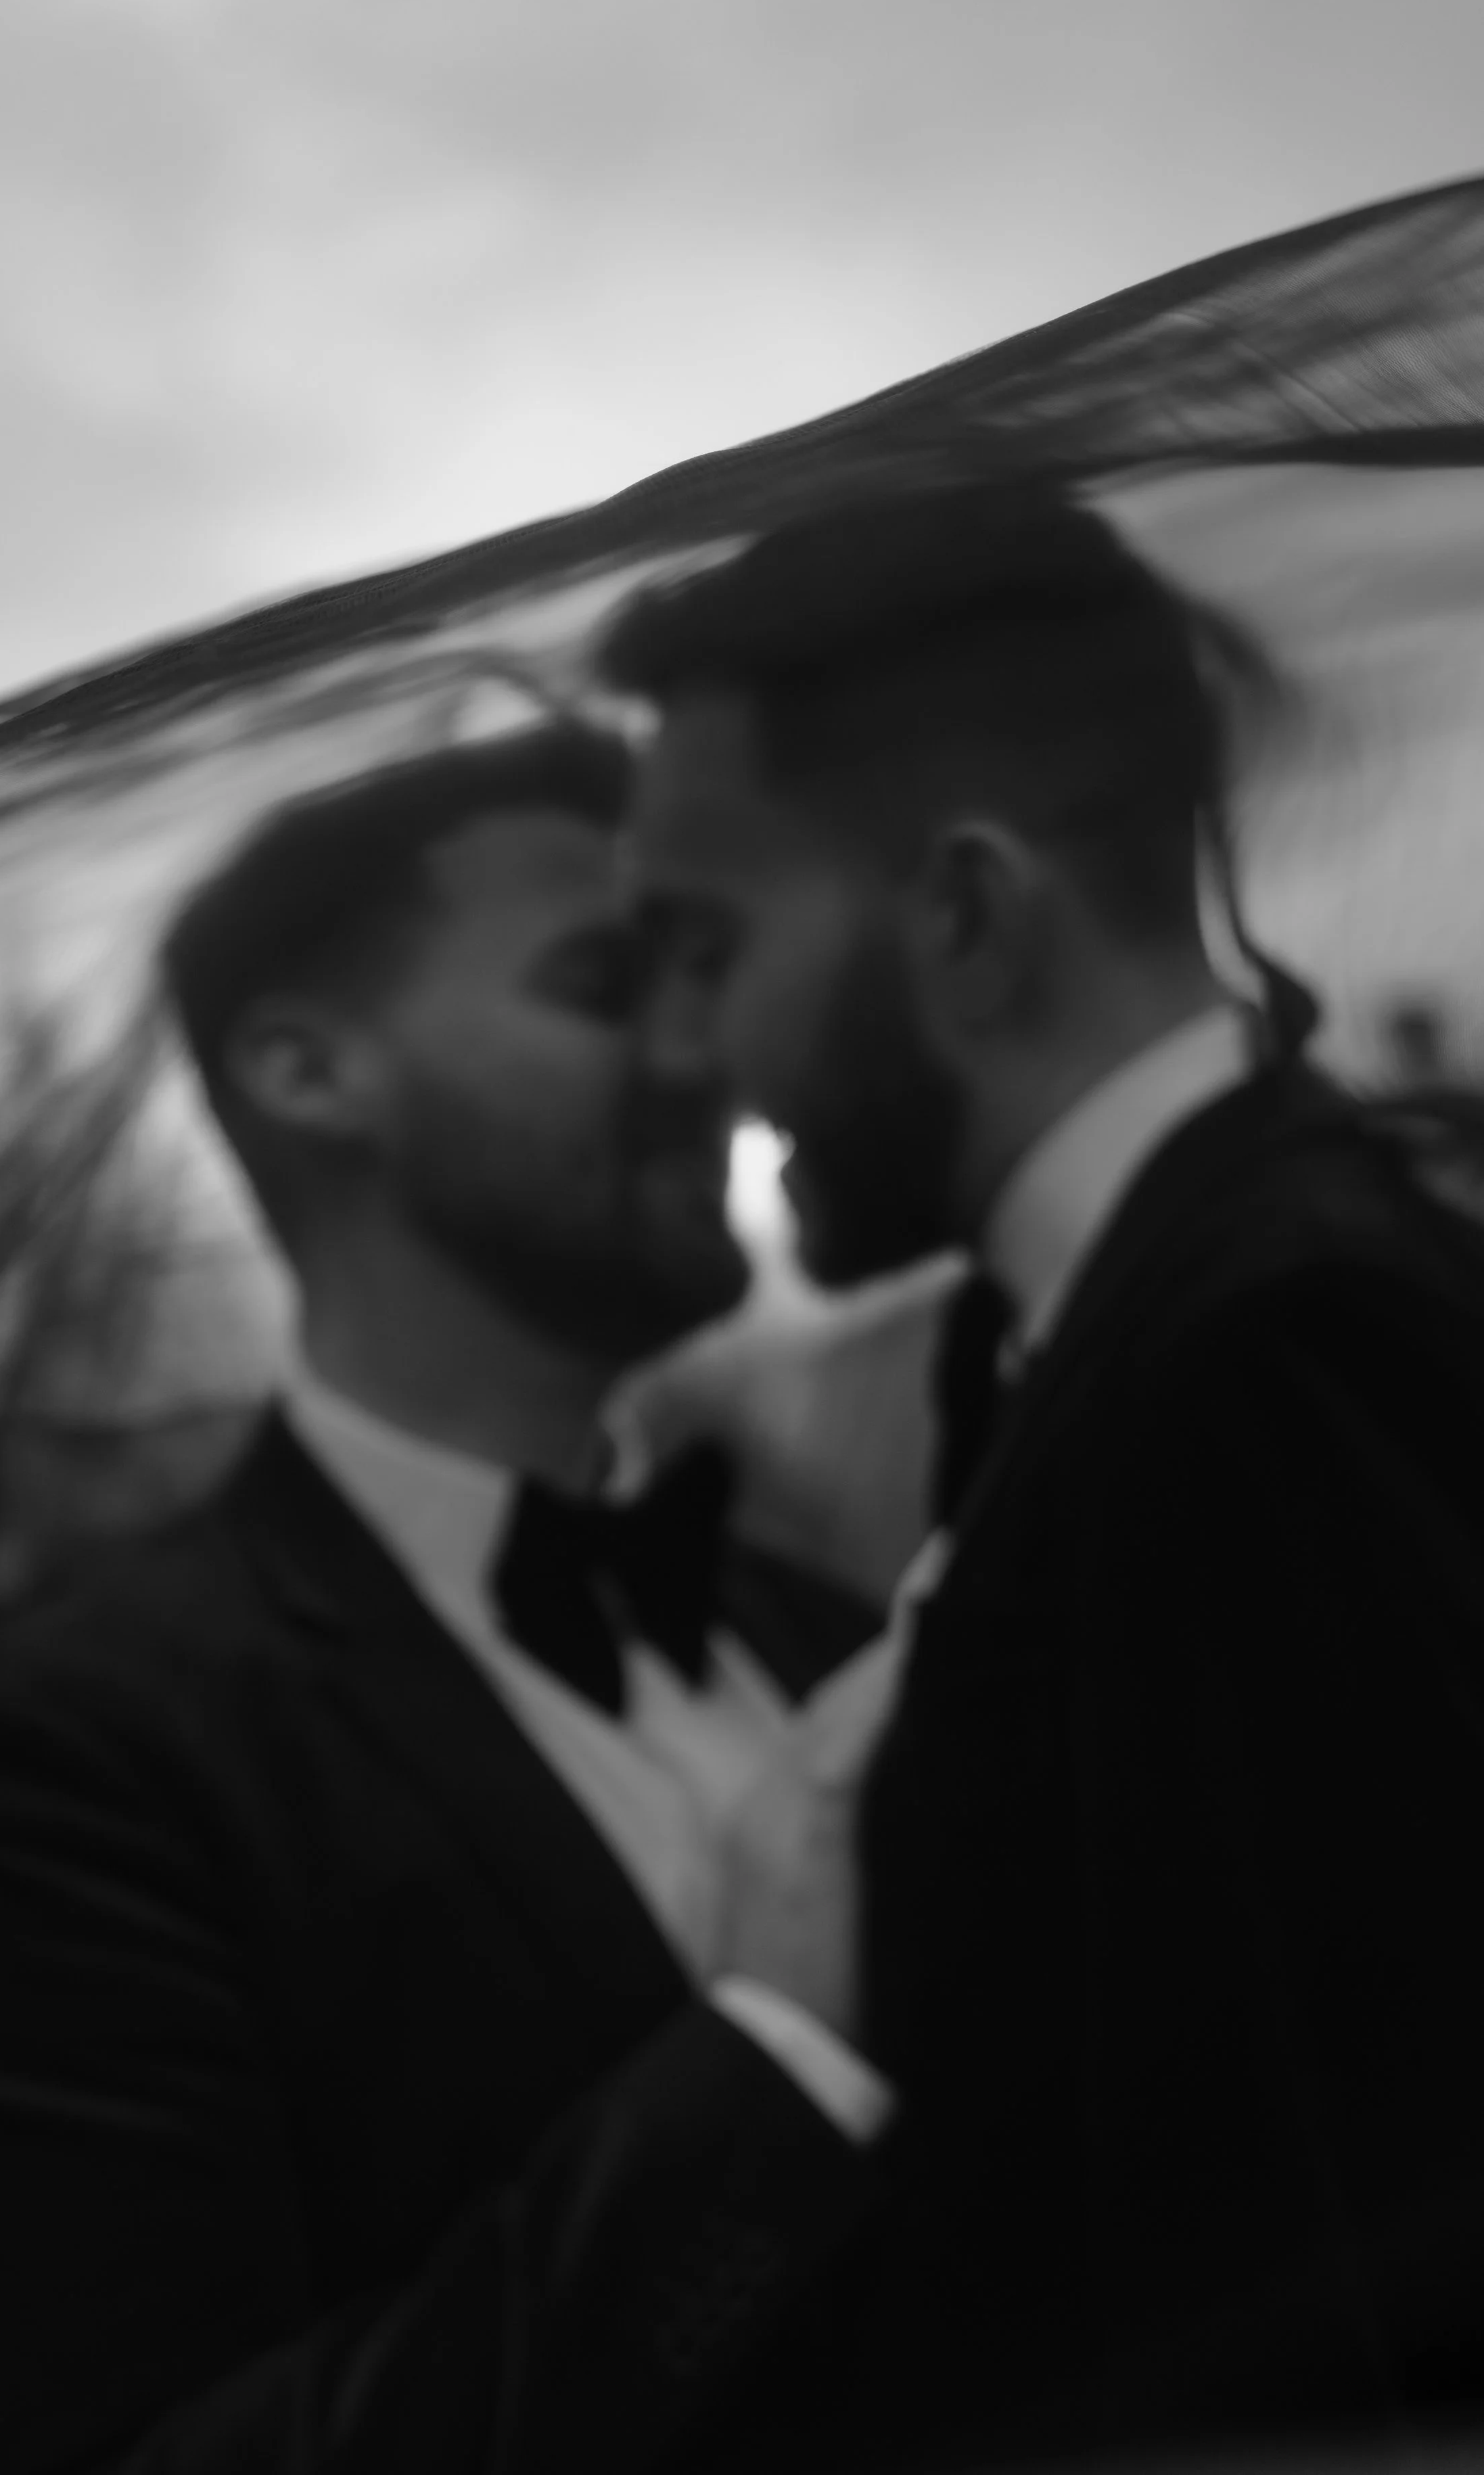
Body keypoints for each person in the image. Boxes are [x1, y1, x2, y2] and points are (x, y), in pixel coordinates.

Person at [0, 723, 913, 2475]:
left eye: (698, 974)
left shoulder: (824, 1631)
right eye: (603, 982)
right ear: (307, 1073)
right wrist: (770, 2072)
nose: (702, 1047)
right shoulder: (79, 1757)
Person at [601, 486, 1484, 2467]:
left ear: (968, 915)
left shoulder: (1278, 1340)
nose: (686, 1051)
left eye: (707, 946)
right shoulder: (1105, 1322)